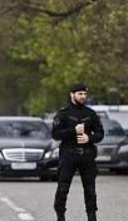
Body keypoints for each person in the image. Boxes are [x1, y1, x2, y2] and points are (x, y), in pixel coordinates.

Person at [51, 83, 104, 221]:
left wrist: (89, 138)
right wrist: (73, 131)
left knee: (90, 190)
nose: (83, 97)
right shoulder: (63, 113)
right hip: (68, 154)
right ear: (72, 94)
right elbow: (55, 134)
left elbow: (100, 134)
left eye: (85, 94)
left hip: (87, 155)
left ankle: (92, 217)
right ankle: (60, 215)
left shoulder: (91, 114)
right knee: (63, 188)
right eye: (80, 94)